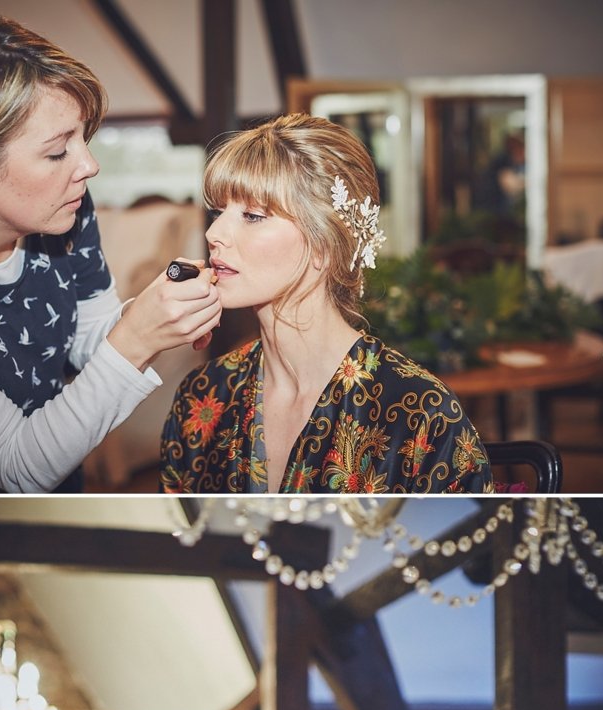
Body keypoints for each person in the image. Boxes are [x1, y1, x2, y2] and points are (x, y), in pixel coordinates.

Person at [0, 14, 221, 493]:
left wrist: (158, 313)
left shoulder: (67, 210)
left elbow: (89, 341)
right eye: (57, 152)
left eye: (83, 138)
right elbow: (15, 465)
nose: (90, 166)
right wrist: (137, 337)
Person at [160, 114, 493, 495]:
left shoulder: (420, 415)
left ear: (324, 243)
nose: (213, 233)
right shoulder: (203, 395)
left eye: (252, 216)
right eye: (219, 212)